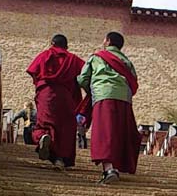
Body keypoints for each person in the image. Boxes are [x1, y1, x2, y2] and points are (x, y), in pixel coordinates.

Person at [77, 31, 141, 184]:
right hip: (125, 98)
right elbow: (134, 80)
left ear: (107, 41)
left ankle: (109, 169)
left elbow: (83, 79)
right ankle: (116, 167)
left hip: (103, 96)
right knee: (119, 132)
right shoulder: (127, 61)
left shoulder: (96, 56)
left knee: (104, 133)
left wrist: (93, 90)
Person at [25, 34, 85, 171]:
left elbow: (33, 72)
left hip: (47, 94)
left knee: (45, 123)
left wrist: (41, 83)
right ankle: (60, 159)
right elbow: (84, 74)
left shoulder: (45, 55)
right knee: (65, 128)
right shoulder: (73, 59)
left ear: (52, 43)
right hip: (66, 96)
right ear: (66, 46)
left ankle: (43, 137)